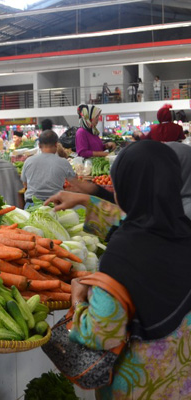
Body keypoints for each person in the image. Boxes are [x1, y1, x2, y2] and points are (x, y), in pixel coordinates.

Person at [47, 141, 191, 399]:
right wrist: (85, 201)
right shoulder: (182, 230)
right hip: (183, 375)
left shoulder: (121, 254)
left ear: (124, 188)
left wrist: (79, 301)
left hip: (141, 384)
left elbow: (102, 334)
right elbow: (142, 222)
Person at [21, 130, 75, 207]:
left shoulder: (29, 161)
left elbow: (25, 184)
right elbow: (74, 183)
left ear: (39, 145)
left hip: (32, 204)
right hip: (55, 205)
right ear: (56, 145)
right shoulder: (63, 162)